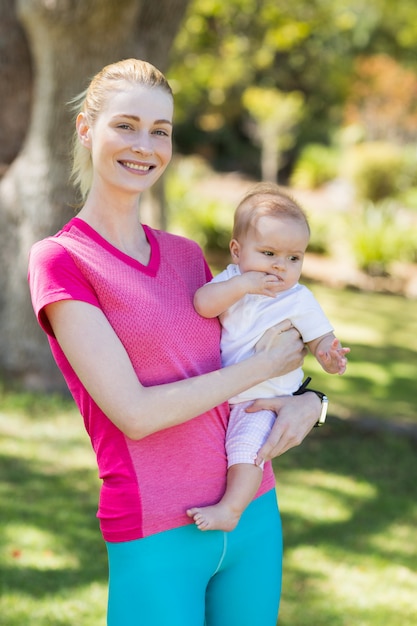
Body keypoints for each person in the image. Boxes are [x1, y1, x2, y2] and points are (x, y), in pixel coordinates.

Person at [28, 59, 323, 626]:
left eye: (160, 131)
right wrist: (264, 368)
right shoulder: (62, 260)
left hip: (252, 510)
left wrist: (311, 401)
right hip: (157, 528)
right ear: (87, 130)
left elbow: (255, 348)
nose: (145, 145)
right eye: (126, 125)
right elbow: (135, 414)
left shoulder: (189, 255)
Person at [187, 184, 350, 532]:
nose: (280, 267)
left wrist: (329, 356)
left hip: (265, 401)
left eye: (294, 258)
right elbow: (203, 304)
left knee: (247, 450)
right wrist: (244, 285)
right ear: (237, 250)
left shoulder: (298, 299)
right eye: (269, 254)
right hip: (224, 392)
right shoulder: (233, 282)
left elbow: (320, 336)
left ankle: (231, 510)